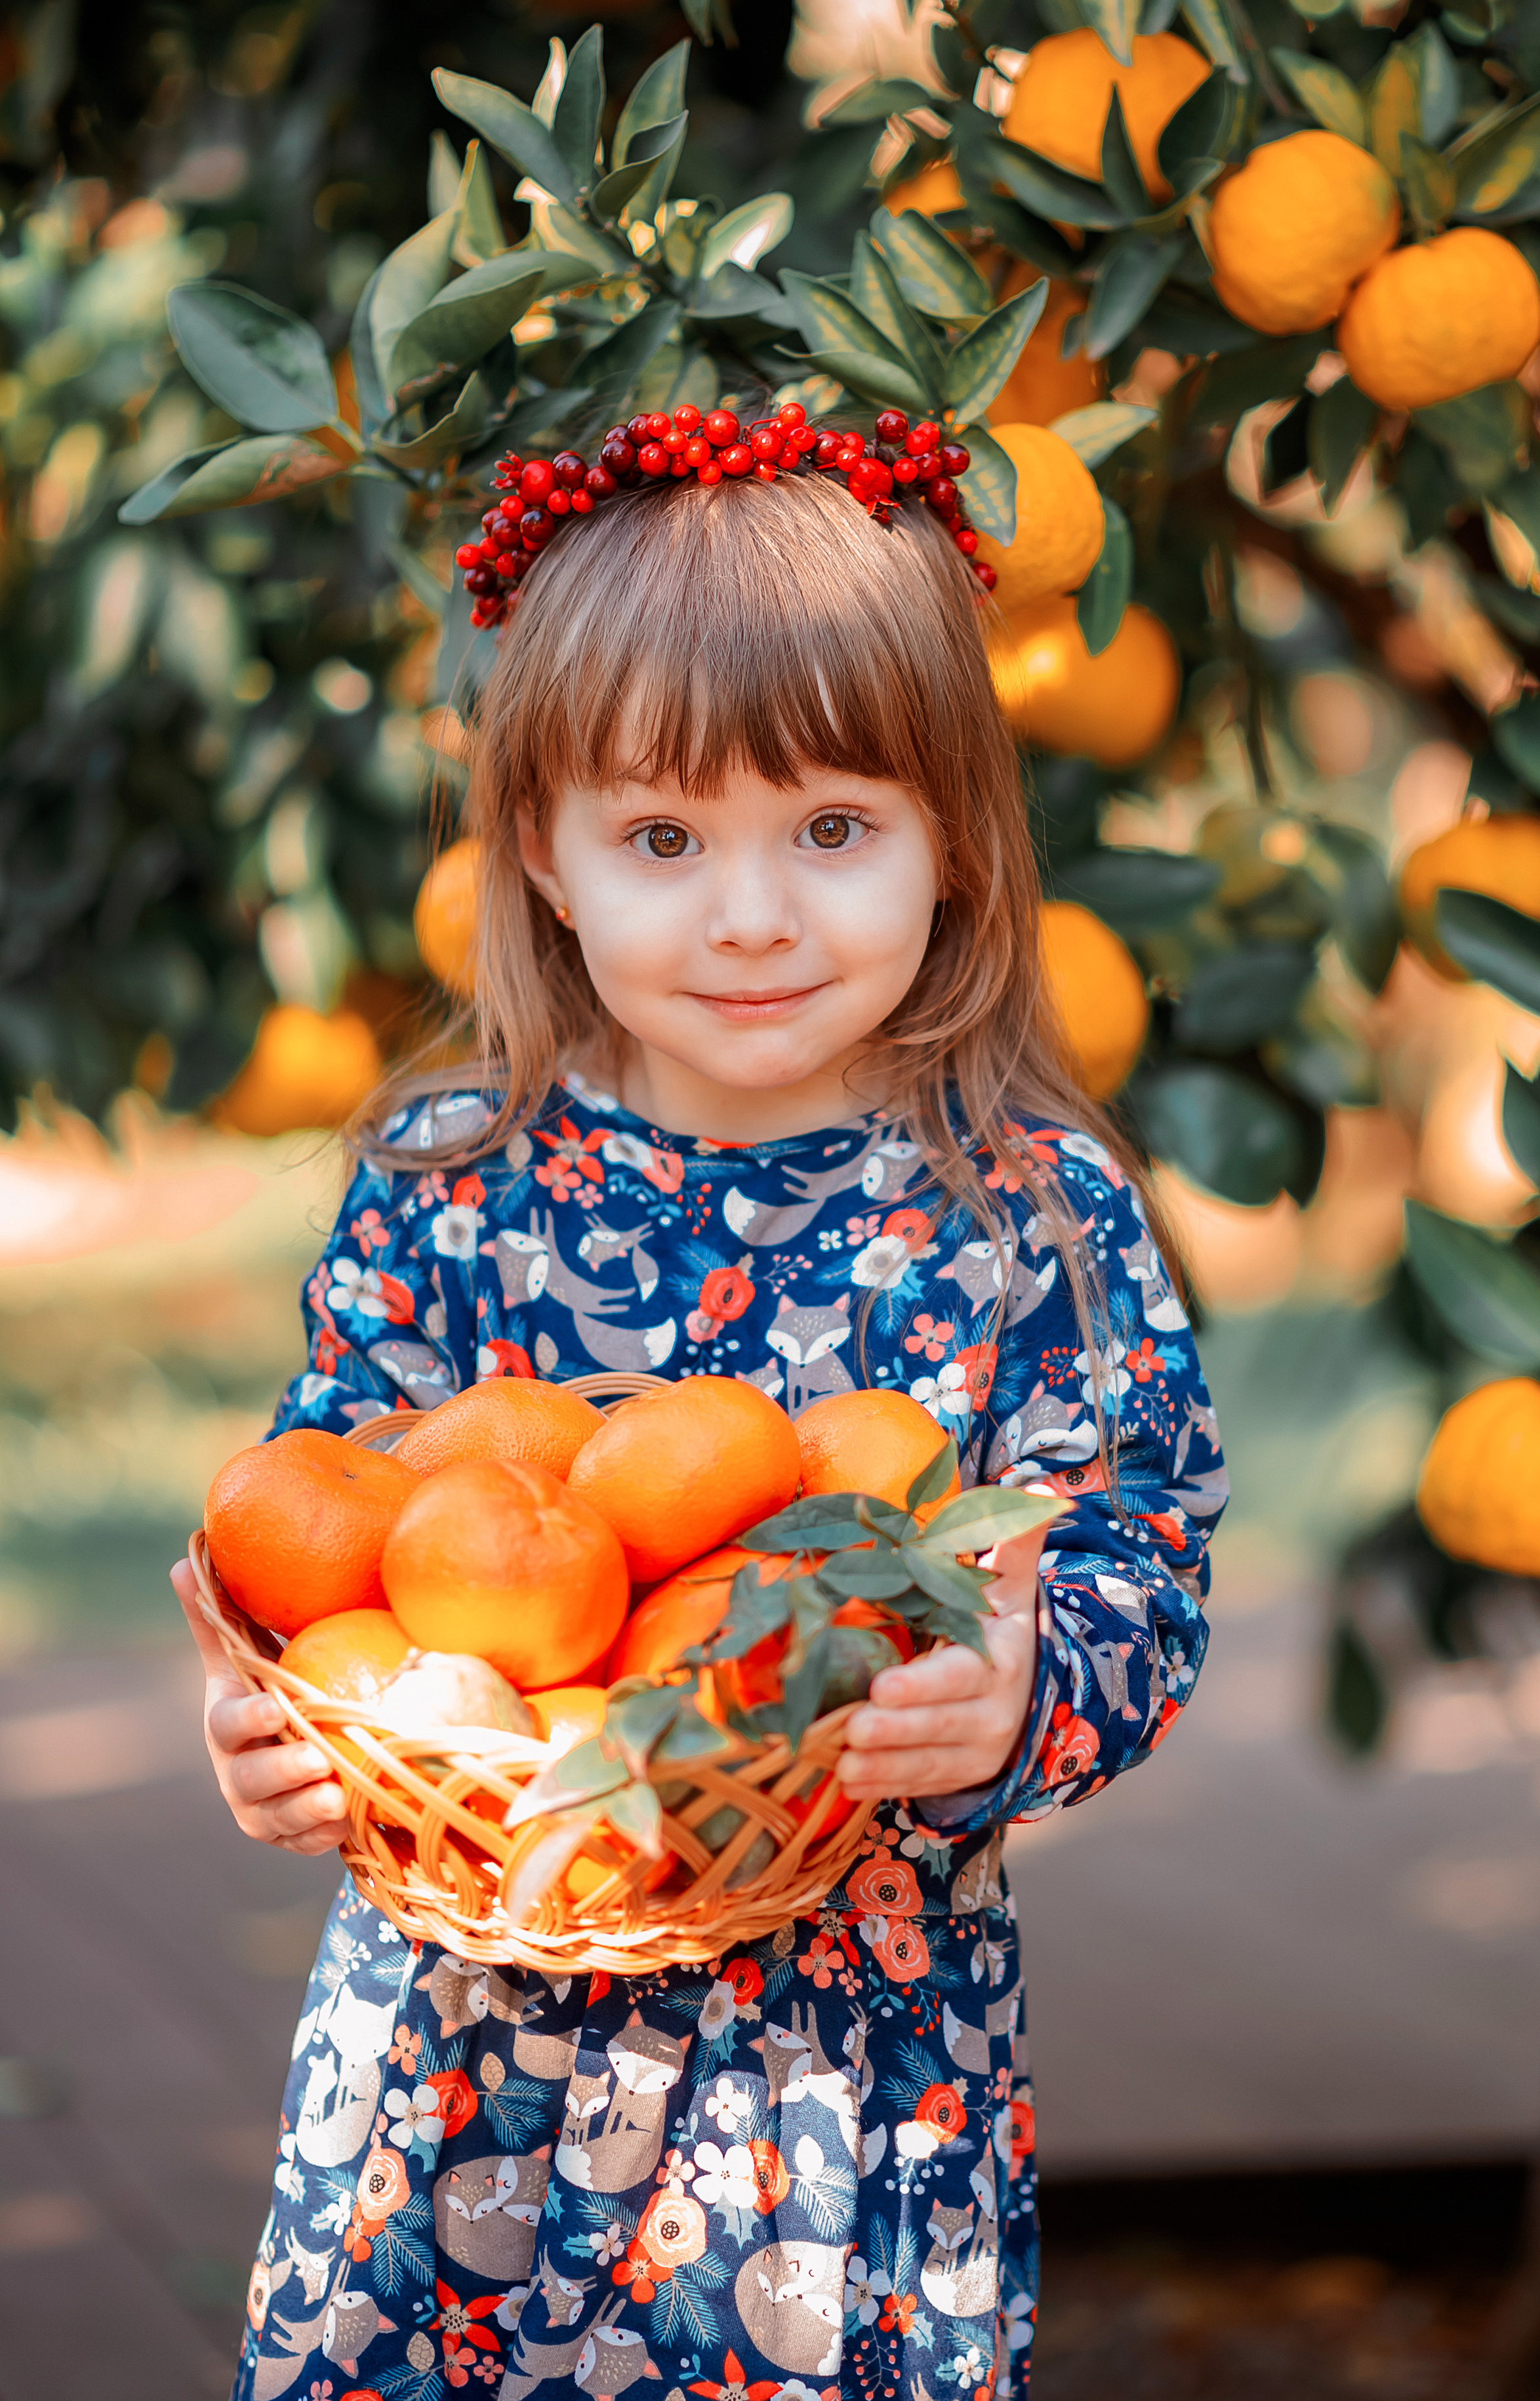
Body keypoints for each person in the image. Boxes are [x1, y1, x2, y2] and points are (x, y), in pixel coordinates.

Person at [172, 400, 1225, 2401]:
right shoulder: (451, 1184)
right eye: (664, 839)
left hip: (835, 2080)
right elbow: (322, 1544)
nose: (750, 913)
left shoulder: (1025, 1211)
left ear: (954, 841)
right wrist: (274, 1730)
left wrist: (1026, 1695)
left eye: (831, 830)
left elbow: (1141, 1543)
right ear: (545, 864)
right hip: (461, 2053)